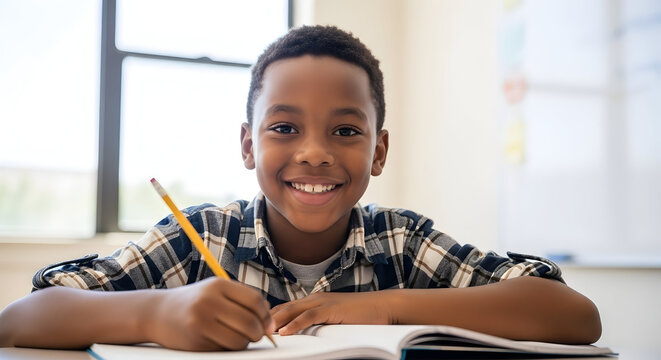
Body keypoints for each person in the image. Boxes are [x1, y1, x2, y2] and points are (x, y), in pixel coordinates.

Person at [0, 25, 601, 351]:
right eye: (284, 127)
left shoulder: (401, 241)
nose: (314, 151)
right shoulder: (201, 235)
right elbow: (23, 318)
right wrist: (157, 310)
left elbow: (572, 314)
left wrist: (380, 307)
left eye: (345, 130)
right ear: (247, 146)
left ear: (379, 151)